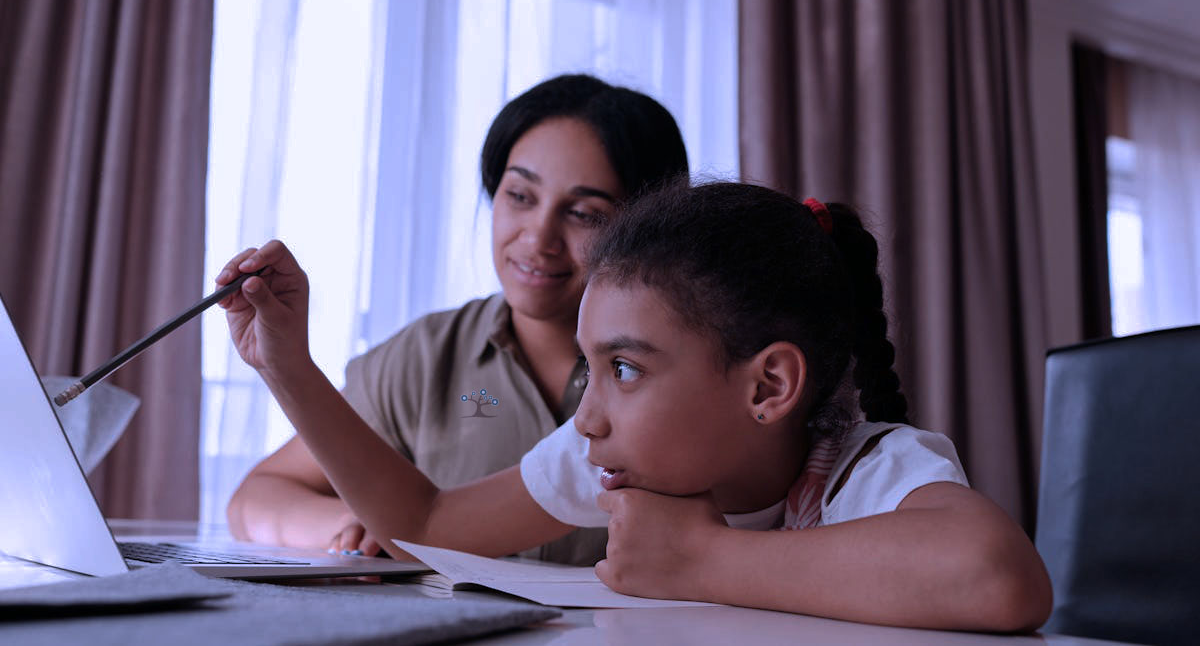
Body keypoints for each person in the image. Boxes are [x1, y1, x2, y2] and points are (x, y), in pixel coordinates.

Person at [218, 181, 1052, 631]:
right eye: (591, 367)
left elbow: (997, 576)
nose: (586, 417)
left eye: (624, 368)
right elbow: (429, 519)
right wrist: (285, 365)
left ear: (768, 387)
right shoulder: (608, 459)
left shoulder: (871, 469)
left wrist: (702, 562)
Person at [223, 74, 688, 565]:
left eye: (584, 213)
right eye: (520, 196)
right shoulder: (425, 357)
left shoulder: (681, 374)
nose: (538, 238)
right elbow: (258, 498)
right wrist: (353, 524)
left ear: (649, 228)